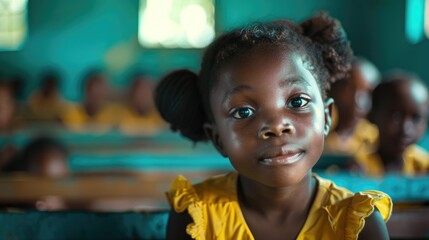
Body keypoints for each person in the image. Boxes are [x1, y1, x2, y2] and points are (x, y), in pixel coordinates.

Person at [155, 13, 392, 239]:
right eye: (243, 112)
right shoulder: (196, 218)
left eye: (297, 102)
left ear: (327, 117)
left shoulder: (358, 223)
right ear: (218, 139)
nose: (277, 126)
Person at [355, 71, 429, 177]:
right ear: (372, 115)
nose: (406, 129)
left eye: (416, 118)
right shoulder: (359, 167)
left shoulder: (423, 165)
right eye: (396, 116)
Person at [324, 57, 381, 155]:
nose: (356, 99)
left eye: (367, 93)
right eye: (349, 88)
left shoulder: (374, 139)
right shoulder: (319, 127)